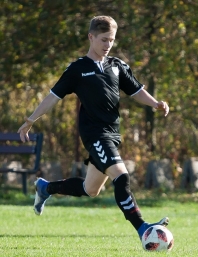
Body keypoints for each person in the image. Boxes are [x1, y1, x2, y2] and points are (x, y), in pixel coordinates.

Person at [18, 15, 170, 240]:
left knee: (90, 189)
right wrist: (31, 120)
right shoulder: (78, 69)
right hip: (94, 134)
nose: (108, 45)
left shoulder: (117, 66)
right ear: (91, 37)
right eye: (104, 40)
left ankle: (45, 188)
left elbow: (136, 90)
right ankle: (143, 228)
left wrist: (155, 103)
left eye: (111, 40)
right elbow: (53, 96)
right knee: (122, 176)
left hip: (112, 134)